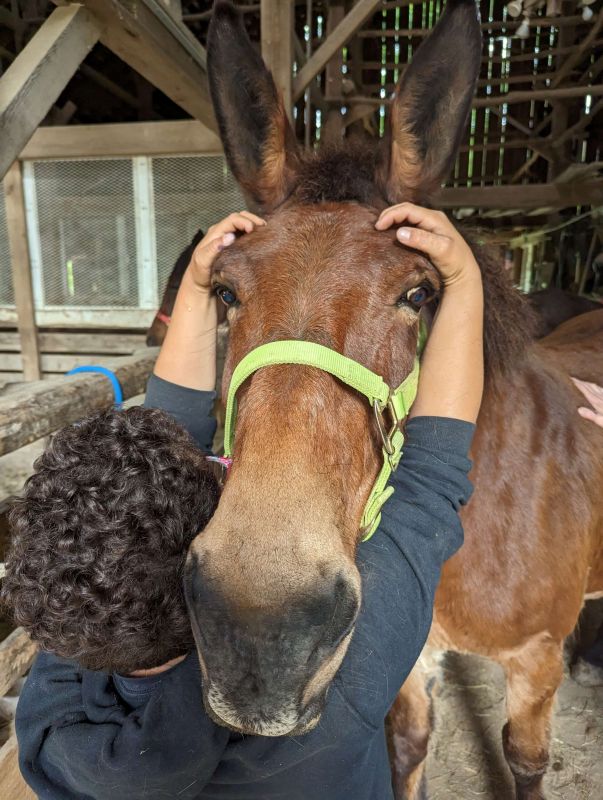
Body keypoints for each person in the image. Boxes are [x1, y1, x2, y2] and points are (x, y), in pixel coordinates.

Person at [3, 204, 483, 800]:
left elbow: (168, 429)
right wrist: (463, 282)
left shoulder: (51, 727)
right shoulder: (354, 688)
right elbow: (433, 475)